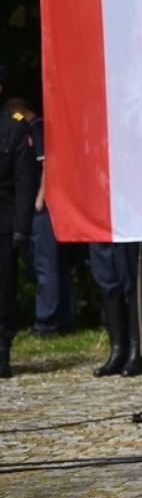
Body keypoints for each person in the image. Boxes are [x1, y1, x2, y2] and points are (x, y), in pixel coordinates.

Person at [8, 97, 72, 336]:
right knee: (53, 265)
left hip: (44, 210)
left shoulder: (37, 130)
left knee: (45, 265)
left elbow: (48, 165)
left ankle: (47, 321)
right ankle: (62, 317)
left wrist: (39, 199)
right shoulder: (41, 128)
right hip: (50, 208)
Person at [0, 68, 40, 379]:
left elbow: (25, 182)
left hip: (4, 222)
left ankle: (2, 351)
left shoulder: (13, 130)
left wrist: (21, 228)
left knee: (3, 290)